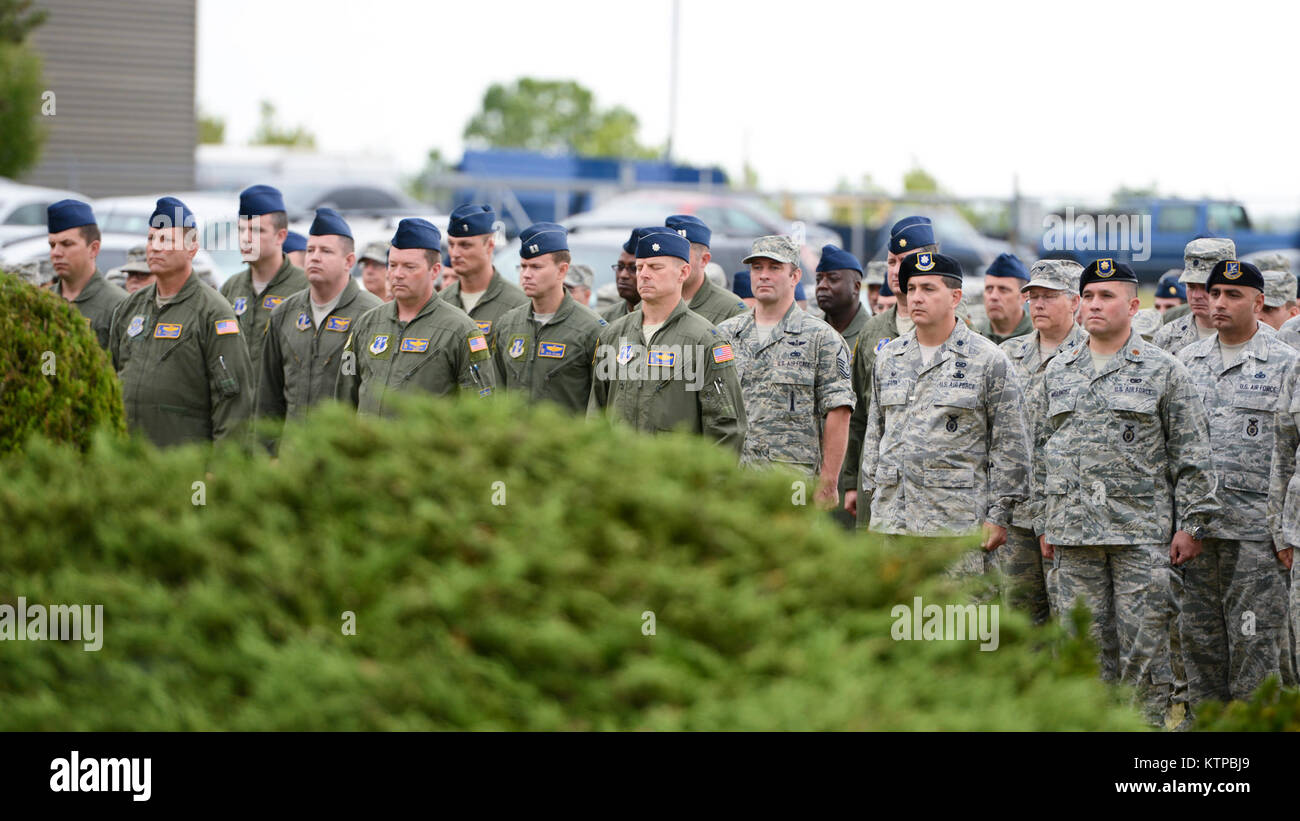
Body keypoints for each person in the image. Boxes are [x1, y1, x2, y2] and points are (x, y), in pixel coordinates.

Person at [1036, 258, 1217, 724]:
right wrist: (1044, 519)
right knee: (1082, 653)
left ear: (1134, 306)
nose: (1095, 305)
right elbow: (1039, 451)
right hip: (1074, 539)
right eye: (1089, 297)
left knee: (1145, 655)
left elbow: (1192, 454)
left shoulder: (1164, 371)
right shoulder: (1058, 371)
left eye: (1107, 296)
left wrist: (1192, 525)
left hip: (1141, 537)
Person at [861, 252, 1030, 571]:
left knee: (958, 619)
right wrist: (877, 501)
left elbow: (1011, 445)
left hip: (957, 525)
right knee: (899, 618)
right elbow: (876, 434)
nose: (916, 298)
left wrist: (998, 516)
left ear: (955, 297)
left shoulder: (988, 360)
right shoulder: (890, 357)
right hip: (895, 525)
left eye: (928, 289)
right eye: (911, 289)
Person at [1176, 259, 1296, 707]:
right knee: (1199, 636)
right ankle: (1204, 719)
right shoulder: (1187, 362)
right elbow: (1176, 448)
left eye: (1233, 295)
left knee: (1255, 637)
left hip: (1256, 534)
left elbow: (1291, 453)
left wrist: (1283, 530)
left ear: (1259, 302)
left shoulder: (1287, 364)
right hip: (1198, 531)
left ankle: (1252, 722)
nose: (1219, 303)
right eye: (1215, 294)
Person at [718, 236, 854, 508]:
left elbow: (838, 412)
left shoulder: (821, 338)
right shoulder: (725, 335)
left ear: (795, 276)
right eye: (757, 268)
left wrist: (828, 482)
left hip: (792, 480)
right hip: (734, 478)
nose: (764, 275)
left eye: (774, 268)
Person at [107, 196, 253, 447]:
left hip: (184, 464)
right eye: (151, 238)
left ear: (192, 249)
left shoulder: (213, 312)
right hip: (128, 463)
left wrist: (221, 470)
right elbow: (109, 378)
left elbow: (233, 401)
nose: (155, 247)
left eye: (166, 240)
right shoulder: (129, 308)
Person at [588, 229, 746, 450]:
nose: (643, 274)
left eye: (655, 267)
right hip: (619, 474)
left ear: (683, 272)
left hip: (674, 477)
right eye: (640, 267)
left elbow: (725, 427)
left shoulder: (704, 340)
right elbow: (597, 412)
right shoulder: (614, 334)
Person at [997, 259, 1086, 623]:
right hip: (1017, 512)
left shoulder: (1092, 356)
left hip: (1071, 518)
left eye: (1050, 296)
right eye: (1033, 297)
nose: (1039, 305)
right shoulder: (1006, 355)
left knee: (1071, 623)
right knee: (1019, 620)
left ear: (1075, 302)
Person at [336, 218, 496, 414]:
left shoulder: (460, 330)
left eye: (409, 267)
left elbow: (480, 409)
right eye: (392, 265)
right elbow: (346, 396)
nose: (397, 274)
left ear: (434, 271)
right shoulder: (368, 323)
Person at [842, 216, 939, 528]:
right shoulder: (873, 330)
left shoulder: (954, 327)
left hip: (936, 489)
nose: (897, 270)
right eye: (892, 261)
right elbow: (857, 414)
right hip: (879, 482)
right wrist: (850, 481)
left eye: (906, 261)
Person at [258, 208, 382, 424]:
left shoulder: (372, 314)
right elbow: (268, 398)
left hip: (340, 451)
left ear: (349, 261)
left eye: (326, 251)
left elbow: (377, 399)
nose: (314, 258)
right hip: (292, 450)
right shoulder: (284, 313)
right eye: (311, 250)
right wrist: (268, 453)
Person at [492, 223, 605, 412]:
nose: (526, 275)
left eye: (536, 267)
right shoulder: (508, 325)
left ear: (562, 270)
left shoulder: (593, 329)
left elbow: (602, 403)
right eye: (523, 267)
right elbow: (497, 392)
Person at [220, 184, 308, 378]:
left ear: (280, 236)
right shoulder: (231, 288)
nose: (245, 238)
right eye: (241, 230)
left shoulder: (305, 288)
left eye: (256, 230)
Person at [441, 204, 527, 352]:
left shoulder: (520, 304)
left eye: (465, 245)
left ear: (489, 245)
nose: (454, 253)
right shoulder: (440, 302)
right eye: (451, 244)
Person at [45, 199, 127, 349]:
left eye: (66, 244)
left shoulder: (119, 305)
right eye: (52, 245)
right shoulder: (44, 301)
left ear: (93, 249)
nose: (56, 252)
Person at [1152, 238, 1236, 356]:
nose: (1196, 296)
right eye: (1191, 286)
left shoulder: (1251, 335)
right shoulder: (1167, 336)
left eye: (1205, 287)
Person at [665, 214, 747, 325]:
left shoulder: (732, 311)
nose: (674, 262)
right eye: (669, 255)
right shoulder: (652, 301)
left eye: (682, 255)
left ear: (704, 260)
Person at [814, 245, 870, 358]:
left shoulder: (873, 333)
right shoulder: (810, 331)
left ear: (856, 287)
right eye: (818, 280)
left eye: (833, 279)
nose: (822, 286)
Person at [975, 252, 1033, 344]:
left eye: (1003, 289)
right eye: (989, 289)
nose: (993, 296)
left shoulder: (1039, 337)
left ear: (1024, 295)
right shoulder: (974, 336)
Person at [600, 227, 648, 321]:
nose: (623, 275)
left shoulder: (662, 318)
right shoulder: (606, 318)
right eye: (620, 266)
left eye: (633, 268)